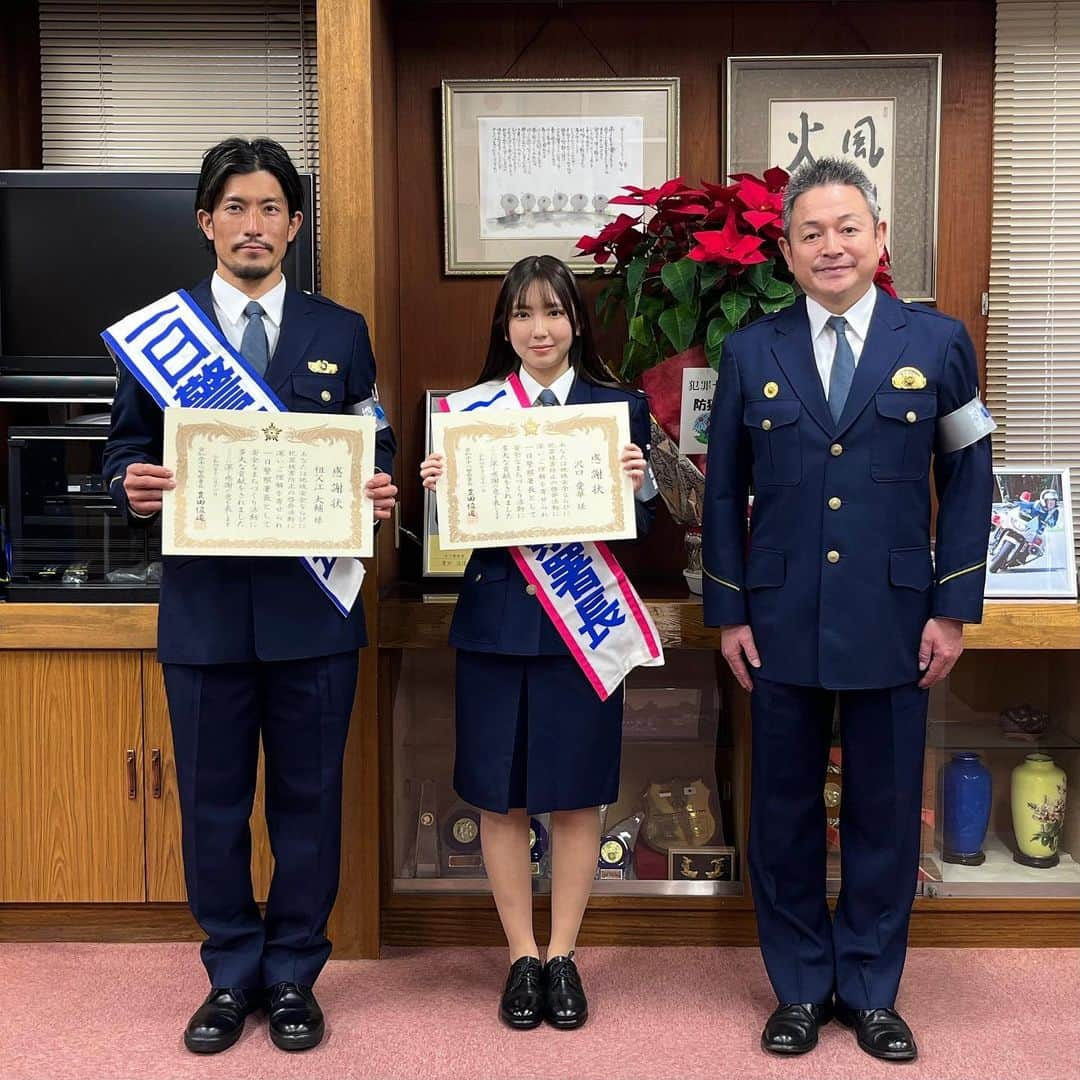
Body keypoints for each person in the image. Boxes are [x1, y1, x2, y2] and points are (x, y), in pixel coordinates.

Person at [102, 137, 397, 1054]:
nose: (253, 225)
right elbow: (121, 452)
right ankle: (231, 973)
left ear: (296, 225)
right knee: (215, 805)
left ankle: (295, 973)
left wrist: (379, 487)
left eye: (271, 208)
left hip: (314, 615)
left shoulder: (339, 330)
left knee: (310, 804)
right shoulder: (164, 330)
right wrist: (130, 485)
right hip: (205, 614)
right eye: (235, 207)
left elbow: (372, 441)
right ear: (206, 222)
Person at [702, 157, 993, 1063]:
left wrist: (953, 609)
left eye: (847, 228)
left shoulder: (937, 343)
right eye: (810, 233)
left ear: (880, 240)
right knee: (781, 813)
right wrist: (728, 611)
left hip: (896, 617)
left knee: (883, 809)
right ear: (785, 252)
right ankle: (798, 988)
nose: (831, 246)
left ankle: (870, 989)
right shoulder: (752, 350)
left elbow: (970, 474)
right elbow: (723, 492)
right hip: (780, 618)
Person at [420, 255, 657, 1030]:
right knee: (499, 798)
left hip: (579, 636)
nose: (539, 328)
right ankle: (520, 955)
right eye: (522, 314)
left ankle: (564, 956)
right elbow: (455, 535)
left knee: (578, 797)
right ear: (505, 327)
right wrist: (441, 486)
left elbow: (643, 532)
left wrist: (640, 483)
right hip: (495, 627)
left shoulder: (618, 411)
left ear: (576, 322)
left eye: (553, 312)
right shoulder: (471, 413)